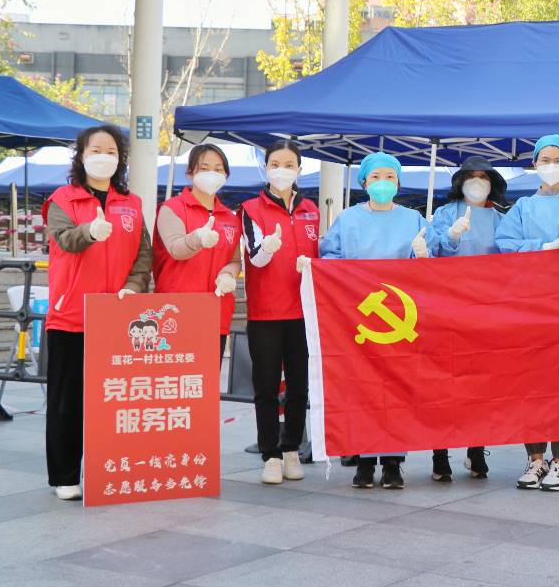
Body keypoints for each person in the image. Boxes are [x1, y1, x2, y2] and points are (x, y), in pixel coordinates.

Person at [42, 124, 152, 501]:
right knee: (67, 402)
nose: (103, 157)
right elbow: (64, 240)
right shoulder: (63, 199)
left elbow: (143, 254)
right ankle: (65, 476)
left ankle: (111, 472)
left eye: (111, 151)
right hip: (71, 316)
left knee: (114, 401)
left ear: (120, 159)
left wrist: (134, 286)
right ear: (81, 155)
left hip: (116, 317)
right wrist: (90, 231)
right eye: (96, 150)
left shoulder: (131, 203)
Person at [319, 152, 430, 490]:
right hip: (358, 315)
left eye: (390, 177)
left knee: (397, 388)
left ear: (399, 182)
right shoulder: (348, 219)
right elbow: (330, 256)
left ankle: (394, 462)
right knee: (363, 387)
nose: (383, 183)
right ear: (364, 182)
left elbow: (429, 262)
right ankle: (365, 460)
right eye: (377, 177)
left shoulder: (413, 219)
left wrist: (424, 254)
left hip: (401, 315)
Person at [495, 133, 559, 492]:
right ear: (534, 164)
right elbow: (505, 244)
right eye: (545, 160)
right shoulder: (523, 207)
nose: (551, 166)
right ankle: (535, 459)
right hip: (530, 303)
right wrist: (544, 246)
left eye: (558, 160)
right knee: (531, 382)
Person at [239, 140, 320, 485]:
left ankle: (291, 449)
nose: (282, 170)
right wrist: (267, 249)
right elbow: (254, 257)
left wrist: (313, 267)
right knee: (267, 387)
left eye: (289, 164)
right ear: (266, 168)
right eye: (275, 164)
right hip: (266, 312)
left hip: (303, 312)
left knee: (300, 386)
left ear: (299, 169)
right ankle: (270, 454)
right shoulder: (250, 208)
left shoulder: (311, 209)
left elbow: (322, 255)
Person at [427, 155, 508, 482]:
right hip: (447, 309)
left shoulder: (501, 218)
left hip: (486, 311)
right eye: (471, 176)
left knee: (480, 384)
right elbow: (431, 250)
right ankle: (440, 452)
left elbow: (513, 256)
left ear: (492, 183)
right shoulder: (445, 214)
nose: (477, 182)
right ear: (460, 182)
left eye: (483, 177)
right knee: (444, 384)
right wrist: (452, 236)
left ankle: (476, 449)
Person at [152, 144, 241, 357]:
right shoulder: (172, 209)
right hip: (177, 312)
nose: (212, 173)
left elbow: (235, 259)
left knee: (208, 376)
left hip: (215, 311)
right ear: (190, 172)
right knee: (177, 375)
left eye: (218, 169)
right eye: (204, 168)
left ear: (226, 175)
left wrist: (229, 274)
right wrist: (197, 239)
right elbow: (175, 249)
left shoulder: (230, 218)